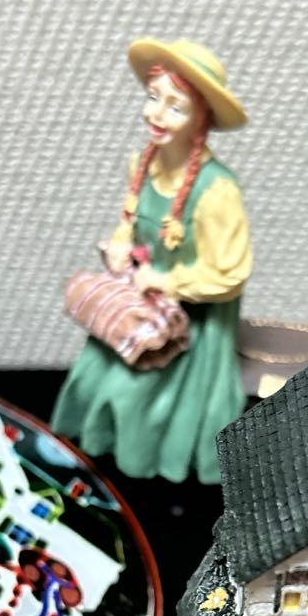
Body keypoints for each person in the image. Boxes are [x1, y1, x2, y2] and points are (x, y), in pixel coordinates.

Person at [51, 38, 251, 484]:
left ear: (201, 118)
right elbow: (130, 220)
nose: (156, 114)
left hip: (193, 318)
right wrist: (121, 244)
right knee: (95, 375)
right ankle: (94, 453)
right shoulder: (142, 163)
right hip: (138, 300)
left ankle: (145, 469)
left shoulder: (217, 191)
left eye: (175, 107)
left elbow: (230, 274)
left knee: (137, 393)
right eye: (153, 97)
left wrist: (168, 281)